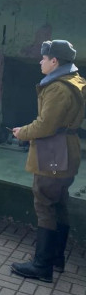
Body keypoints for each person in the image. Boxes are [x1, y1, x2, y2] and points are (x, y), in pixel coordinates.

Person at [11, 40, 86, 282]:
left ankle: (42, 265)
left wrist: (22, 132)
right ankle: (56, 259)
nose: (40, 62)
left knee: (44, 204)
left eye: (44, 58)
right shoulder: (76, 81)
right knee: (59, 203)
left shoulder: (57, 88)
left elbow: (46, 125)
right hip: (68, 148)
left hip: (54, 150)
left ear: (55, 61)